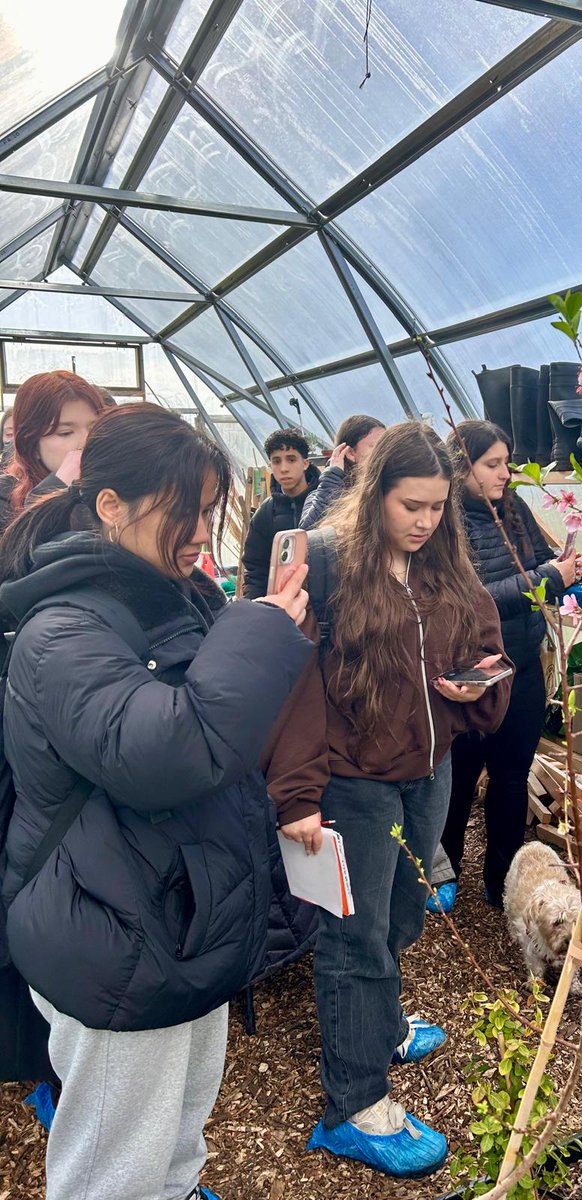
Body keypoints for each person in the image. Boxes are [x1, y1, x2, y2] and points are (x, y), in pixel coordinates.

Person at [0, 403, 317, 1200]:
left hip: (179, 919)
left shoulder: (172, 596)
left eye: (208, 510)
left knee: (175, 1139)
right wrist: (260, 633)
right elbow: (169, 754)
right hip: (115, 940)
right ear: (111, 506)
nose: (202, 532)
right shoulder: (61, 630)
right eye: (185, 511)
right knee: (112, 1172)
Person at [262, 422, 512, 1178]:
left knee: (405, 911)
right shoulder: (330, 564)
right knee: (355, 936)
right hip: (354, 780)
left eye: (437, 506)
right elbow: (288, 683)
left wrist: (477, 685)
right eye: (411, 506)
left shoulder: (445, 566)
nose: (426, 521)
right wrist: (298, 795)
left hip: (428, 771)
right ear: (375, 496)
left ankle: (381, 1024)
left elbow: (488, 642)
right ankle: (355, 1103)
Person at [428, 420, 580, 914]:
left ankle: (504, 879)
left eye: (507, 463)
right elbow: (469, 602)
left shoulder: (514, 510)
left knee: (512, 778)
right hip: (469, 674)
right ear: (461, 467)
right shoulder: (445, 524)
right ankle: (443, 872)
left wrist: (562, 570)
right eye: (492, 464)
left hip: (522, 668)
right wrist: (547, 578)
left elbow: (541, 564)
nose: (505, 473)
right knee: (459, 779)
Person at [0, 370, 107, 534]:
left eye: (95, 428)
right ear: (31, 445)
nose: (86, 441)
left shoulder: (113, 488)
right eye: (65, 433)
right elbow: (21, 547)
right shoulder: (5, 496)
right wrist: (56, 489)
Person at [240, 428, 322, 598]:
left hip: (326, 604)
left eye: (291, 459)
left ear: (305, 463)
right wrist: (257, 606)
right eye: (277, 461)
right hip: (283, 603)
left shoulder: (324, 503)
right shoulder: (266, 513)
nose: (284, 468)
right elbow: (255, 570)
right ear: (270, 466)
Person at [298, 413, 386, 530]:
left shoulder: (389, 490)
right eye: (376, 447)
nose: (385, 453)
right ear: (349, 453)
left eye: (387, 446)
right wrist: (332, 480)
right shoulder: (321, 495)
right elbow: (307, 534)